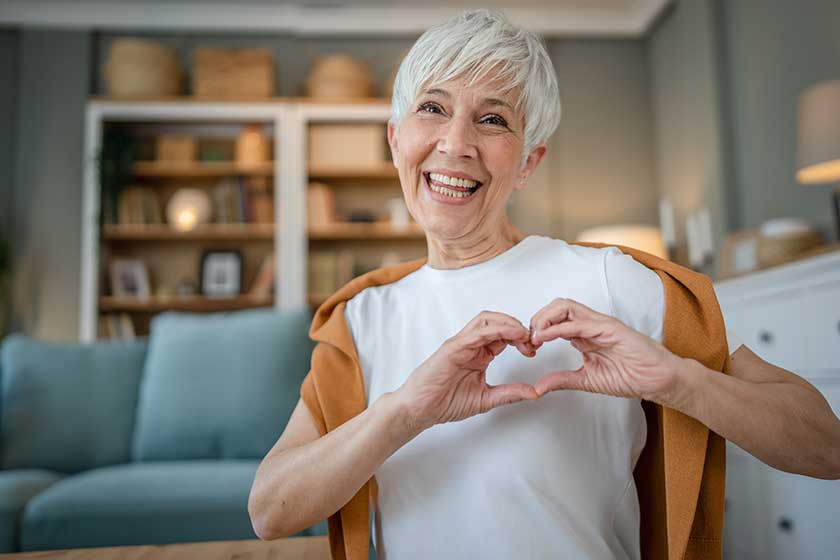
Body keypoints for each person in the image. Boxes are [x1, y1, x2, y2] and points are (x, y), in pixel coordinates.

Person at [249, 9, 840, 560]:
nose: (456, 143)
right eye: (432, 108)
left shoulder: (614, 282)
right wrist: (406, 412)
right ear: (396, 138)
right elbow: (270, 510)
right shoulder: (361, 319)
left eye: (492, 119)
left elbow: (825, 445)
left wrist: (680, 381)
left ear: (528, 161)